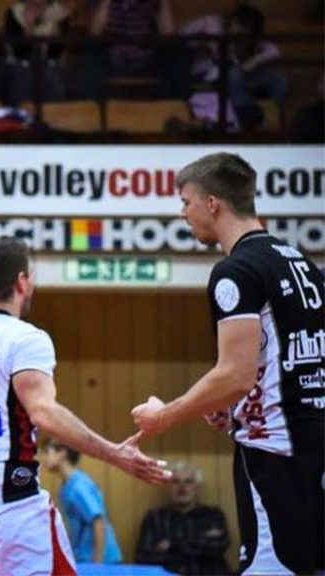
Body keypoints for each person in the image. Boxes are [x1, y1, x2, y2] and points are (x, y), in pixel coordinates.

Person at [0, 238, 164, 576]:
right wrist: (114, 453)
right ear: (22, 281)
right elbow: (43, 412)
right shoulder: (24, 338)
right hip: (5, 496)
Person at [132, 152, 324, 575]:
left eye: (186, 202)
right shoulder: (303, 264)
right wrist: (235, 406)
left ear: (212, 204)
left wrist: (162, 417)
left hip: (275, 453)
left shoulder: (236, 270)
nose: (183, 214)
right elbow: (287, 361)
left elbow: (235, 374)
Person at [182, 4, 286, 130]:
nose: (240, 34)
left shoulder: (244, 38)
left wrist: (253, 62)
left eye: (245, 33)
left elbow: (274, 50)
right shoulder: (209, 23)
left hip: (238, 75)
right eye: (240, 29)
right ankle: (247, 112)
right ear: (234, 20)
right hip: (208, 74)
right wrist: (199, 44)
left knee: (278, 79)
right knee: (233, 73)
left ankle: (272, 118)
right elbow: (179, 37)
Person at [79, 0, 189, 99]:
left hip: (145, 57)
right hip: (112, 58)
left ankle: (177, 106)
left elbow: (168, 31)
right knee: (91, 47)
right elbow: (95, 31)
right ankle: (89, 108)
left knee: (176, 47)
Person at [136, 463, 231, 575]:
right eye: (175, 481)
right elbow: (144, 558)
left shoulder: (213, 515)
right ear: (168, 487)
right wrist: (198, 544)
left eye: (188, 481)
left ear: (197, 488)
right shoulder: (155, 518)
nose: (182, 487)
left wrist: (172, 545)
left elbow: (218, 546)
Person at [42, 441, 123, 565]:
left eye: (48, 452)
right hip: (84, 557)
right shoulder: (66, 487)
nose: (44, 458)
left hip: (100, 561)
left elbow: (98, 520)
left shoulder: (78, 485)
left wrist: (97, 565)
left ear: (62, 453)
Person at [3, 0, 73, 105]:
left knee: (52, 78)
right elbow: (19, 51)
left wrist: (55, 26)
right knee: (24, 77)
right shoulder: (13, 13)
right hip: (20, 64)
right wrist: (29, 27)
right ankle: (22, 114)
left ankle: (53, 113)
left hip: (50, 64)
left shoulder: (59, 12)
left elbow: (56, 52)